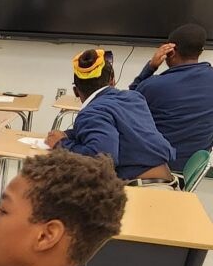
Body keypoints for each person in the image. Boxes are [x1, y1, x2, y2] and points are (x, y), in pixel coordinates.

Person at [45, 49, 175, 180]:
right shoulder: (134, 97)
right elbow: (112, 126)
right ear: (113, 81)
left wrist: (61, 144)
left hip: (139, 190)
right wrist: (69, 134)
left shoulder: (92, 113)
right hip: (167, 181)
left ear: (76, 91)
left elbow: (102, 161)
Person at [128, 22, 213, 172]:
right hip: (190, 170)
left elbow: (127, 104)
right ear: (200, 51)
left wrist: (150, 67)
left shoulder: (154, 86)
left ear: (171, 51)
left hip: (156, 170)